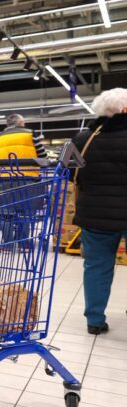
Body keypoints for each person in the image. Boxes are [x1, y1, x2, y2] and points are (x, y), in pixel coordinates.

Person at [71, 88, 127, 335]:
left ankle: (94, 320)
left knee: (96, 267)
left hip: (94, 214)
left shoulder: (83, 138)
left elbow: (64, 170)